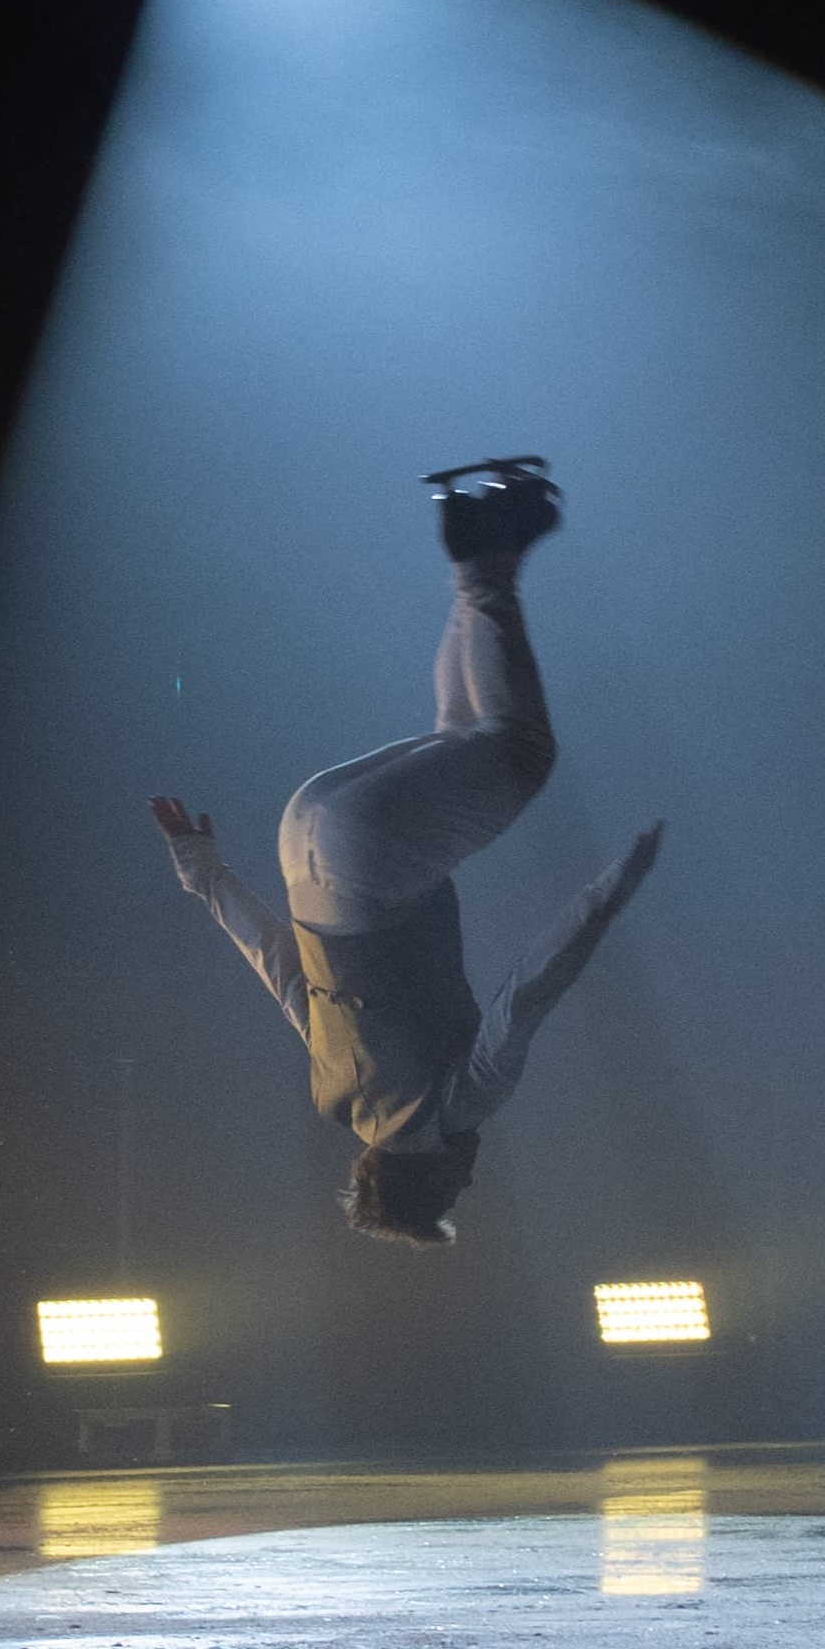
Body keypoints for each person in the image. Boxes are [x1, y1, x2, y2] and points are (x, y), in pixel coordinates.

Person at [149, 459, 663, 1245]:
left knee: (521, 751)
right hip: (305, 832)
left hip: (372, 862)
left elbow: (529, 992)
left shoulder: (458, 1104)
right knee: (469, 739)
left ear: (434, 1176)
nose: (473, 1174)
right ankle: (483, 550)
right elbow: (280, 967)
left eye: (456, 1188)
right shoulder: (337, 1094)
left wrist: (611, 892)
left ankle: (485, 564)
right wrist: (202, 869)